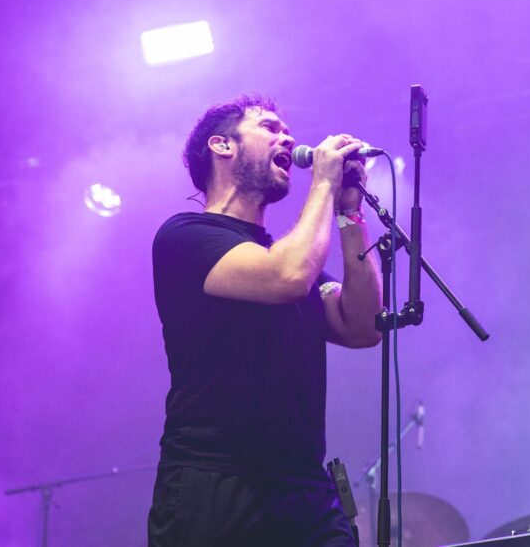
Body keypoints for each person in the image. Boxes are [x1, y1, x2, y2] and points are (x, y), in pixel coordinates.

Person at [148, 95, 382, 547]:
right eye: (270, 127)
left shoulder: (288, 259)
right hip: (216, 484)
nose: (288, 139)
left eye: (287, 131)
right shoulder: (185, 236)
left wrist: (349, 212)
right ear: (222, 145)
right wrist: (323, 183)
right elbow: (287, 276)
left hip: (305, 490)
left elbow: (363, 326)